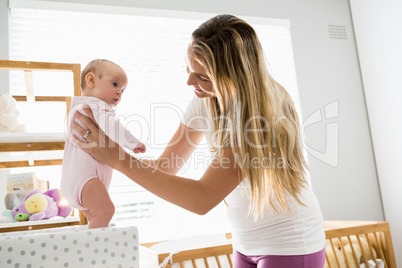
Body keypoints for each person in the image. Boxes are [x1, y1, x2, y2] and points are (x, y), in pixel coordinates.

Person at [71, 15, 326, 267]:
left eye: (203, 77)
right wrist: (93, 181)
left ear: (234, 77)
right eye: (189, 68)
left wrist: (115, 156)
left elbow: (201, 199)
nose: (190, 81)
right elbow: (165, 167)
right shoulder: (205, 100)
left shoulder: (258, 116)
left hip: (290, 245)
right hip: (245, 244)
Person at [61, 59, 146, 229]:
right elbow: (112, 126)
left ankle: (96, 249)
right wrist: (132, 142)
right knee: (106, 212)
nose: (119, 93)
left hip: (75, 182)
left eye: (122, 90)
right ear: (91, 80)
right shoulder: (95, 106)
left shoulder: (77, 108)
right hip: (86, 180)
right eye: (115, 84)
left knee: (98, 223)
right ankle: (90, 252)